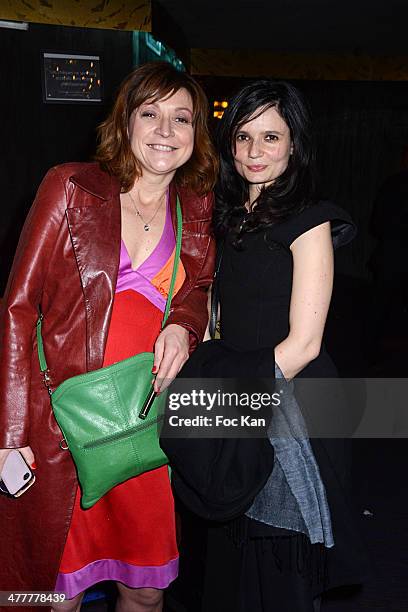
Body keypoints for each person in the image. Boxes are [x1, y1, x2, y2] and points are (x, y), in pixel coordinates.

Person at [0, 61, 217, 611]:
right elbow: (18, 309)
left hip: (143, 427)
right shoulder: (71, 187)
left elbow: (201, 286)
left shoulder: (197, 208)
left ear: (196, 134)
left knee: (144, 592)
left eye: (182, 118)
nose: (166, 131)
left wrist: (184, 324)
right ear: (126, 122)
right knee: (50, 594)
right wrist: (9, 433)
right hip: (60, 426)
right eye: (151, 114)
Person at [171, 80, 369, 612]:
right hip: (243, 387)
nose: (255, 152)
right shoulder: (226, 215)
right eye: (243, 137)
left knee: (279, 562)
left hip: (290, 401)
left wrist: (220, 394)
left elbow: (304, 346)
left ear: (294, 146)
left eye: (271, 137)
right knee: (225, 557)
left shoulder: (311, 221)